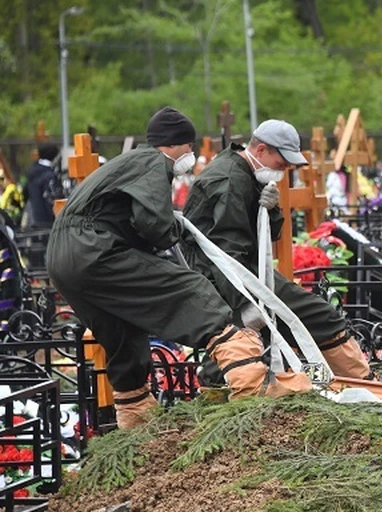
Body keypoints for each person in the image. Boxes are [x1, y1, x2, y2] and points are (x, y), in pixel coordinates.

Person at [47, 107, 309, 430]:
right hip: (94, 249)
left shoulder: (126, 163)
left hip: (63, 257)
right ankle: (251, 380)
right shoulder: (152, 162)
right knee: (191, 288)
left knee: (124, 329)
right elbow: (154, 223)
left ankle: (136, 414)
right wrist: (175, 232)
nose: (192, 153)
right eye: (189, 146)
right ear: (174, 144)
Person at [181, 119, 369, 378]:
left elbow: (269, 233)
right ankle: (360, 381)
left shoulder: (246, 171)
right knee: (316, 315)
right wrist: (246, 301)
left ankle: (217, 383)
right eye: (282, 163)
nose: (284, 171)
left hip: (240, 268)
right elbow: (226, 250)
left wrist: (272, 209)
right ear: (260, 150)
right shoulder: (230, 180)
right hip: (224, 274)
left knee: (255, 333)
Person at [24, 143, 59, 230]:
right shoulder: (49, 175)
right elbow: (51, 198)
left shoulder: (32, 172)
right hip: (47, 221)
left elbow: (25, 192)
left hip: (34, 217)